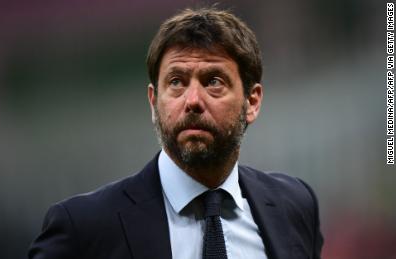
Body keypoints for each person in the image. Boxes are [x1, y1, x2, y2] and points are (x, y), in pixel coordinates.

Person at [28, 7, 323, 259]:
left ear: (252, 102)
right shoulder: (83, 228)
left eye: (214, 81)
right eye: (177, 82)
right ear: (154, 101)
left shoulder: (294, 205)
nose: (192, 100)